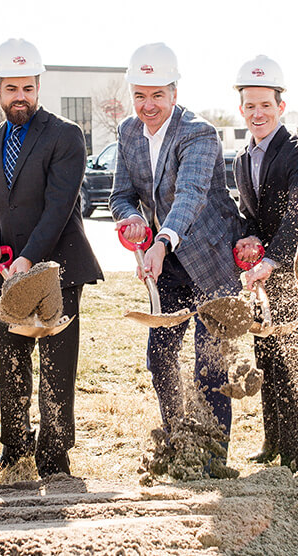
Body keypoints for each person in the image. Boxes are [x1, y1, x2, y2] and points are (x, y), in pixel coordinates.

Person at [108, 43, 241, 465]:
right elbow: (120, 195)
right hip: (165, 266)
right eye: (140, 96)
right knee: (160, 355)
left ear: (174, 93)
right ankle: (176, 438)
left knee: (210, 363)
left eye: (158, 95)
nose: (148, 106)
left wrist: (162, 241)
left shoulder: (198, 133)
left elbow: (190, 196)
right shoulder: (128, 132)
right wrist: (131, 220)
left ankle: (212, 454)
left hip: (211, 260)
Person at [0, 38, 103, 478]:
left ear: (38, 86)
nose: (20, 97)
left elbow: (59, 207)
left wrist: (28, 260)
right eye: (11, 88)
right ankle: (15, 448)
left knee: (56, 363)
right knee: (9, 358)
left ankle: (54, 454)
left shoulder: (66, 135)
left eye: (28, 88)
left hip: (57, 270)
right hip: (8, 271)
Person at [231, 55, 298, 471]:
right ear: (241, 109)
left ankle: (297, 460)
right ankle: (272, 443)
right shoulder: (240, 159)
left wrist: (272, 258)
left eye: (265, 104)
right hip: (264, 281)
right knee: (267, 360)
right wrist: (249, 235)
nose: (258, 113)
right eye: (250, 105)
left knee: (294, 367)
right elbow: (254, 214)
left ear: (281, 106)